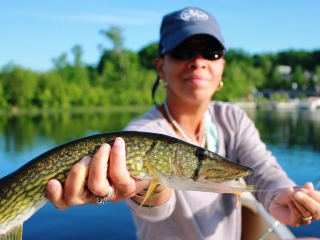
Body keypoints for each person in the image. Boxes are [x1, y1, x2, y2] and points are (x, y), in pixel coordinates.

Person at [46, 7, 320, 239]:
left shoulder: (232, 118)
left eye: (210, 51)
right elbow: (155, 205)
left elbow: (262, 169)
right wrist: (144, 190)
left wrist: (281, 194)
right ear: (160, 67)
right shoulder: (141, 134)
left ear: (222, 65)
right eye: (183, 50)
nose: (197, 61)